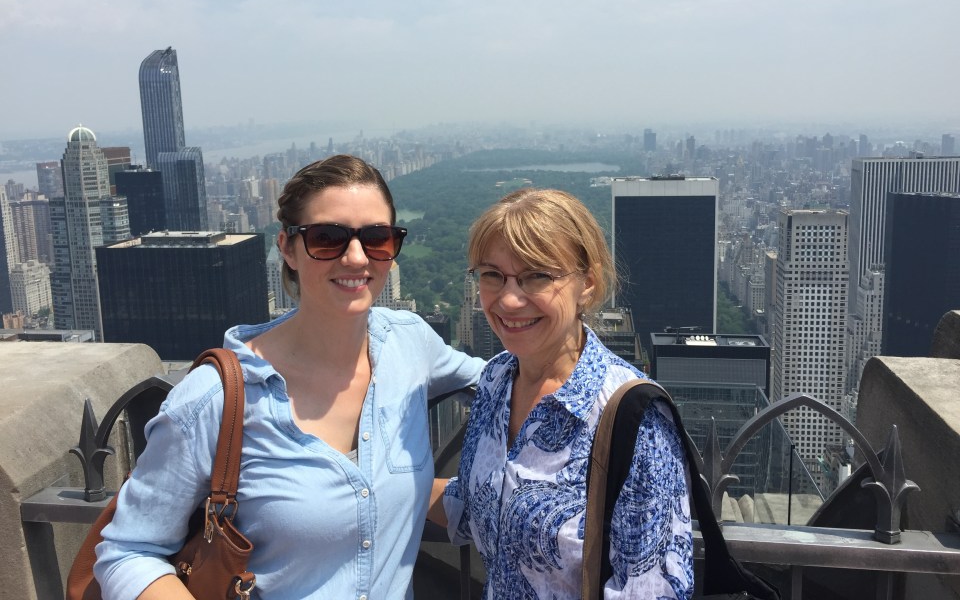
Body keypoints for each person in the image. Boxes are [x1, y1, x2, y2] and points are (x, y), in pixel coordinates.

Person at [95, 154, 486, 599]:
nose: (356, 257)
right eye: (327, 238)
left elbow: (509, 385)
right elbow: (128, 550)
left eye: (377, 238)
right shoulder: (216, 397)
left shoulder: (410, 344)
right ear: (287, 247)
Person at [437, 188, 693, 598]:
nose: (508, 298)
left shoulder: (631, 415)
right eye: (491, 275)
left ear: (587, 285)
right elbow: (470, 505)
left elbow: (652, 587)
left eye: (536, 275)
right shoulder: (496, 380)